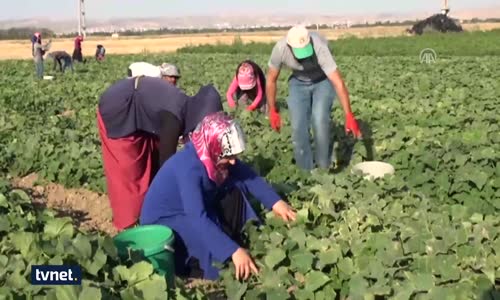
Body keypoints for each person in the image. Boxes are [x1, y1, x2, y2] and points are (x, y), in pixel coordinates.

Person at [140, 112, 296, 281]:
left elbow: (246, 175)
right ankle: (205, 265)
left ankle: (230, 240)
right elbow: (197, 217)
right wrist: (231, 251)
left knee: (237, 186)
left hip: (191, 210)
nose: (233, 161)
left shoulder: (212, 153)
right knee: (213, 253)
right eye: (229, 156)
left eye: (234, 155)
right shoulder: (189, 169)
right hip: (167, 221)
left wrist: (276, 202)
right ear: (213, 147)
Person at [97, 76, 223, 231]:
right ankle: (128, 225)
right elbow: (167, 166)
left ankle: (146, 209)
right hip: (120, 106)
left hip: (141, 110)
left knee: (149, 161)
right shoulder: (173, 118)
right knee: (128, 170)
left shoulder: (185, 107)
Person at [266, 25, 362, 171]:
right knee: (298, 127)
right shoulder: (280, 49)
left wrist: (349, 114)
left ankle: (323, 170)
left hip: (322, 81)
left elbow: (338, 82)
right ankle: (305, 174)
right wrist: (272, 110)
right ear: (289, 46)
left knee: (319, 121)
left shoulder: (319, 47)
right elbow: (271, 80)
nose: (304, 56)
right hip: (298, 83)